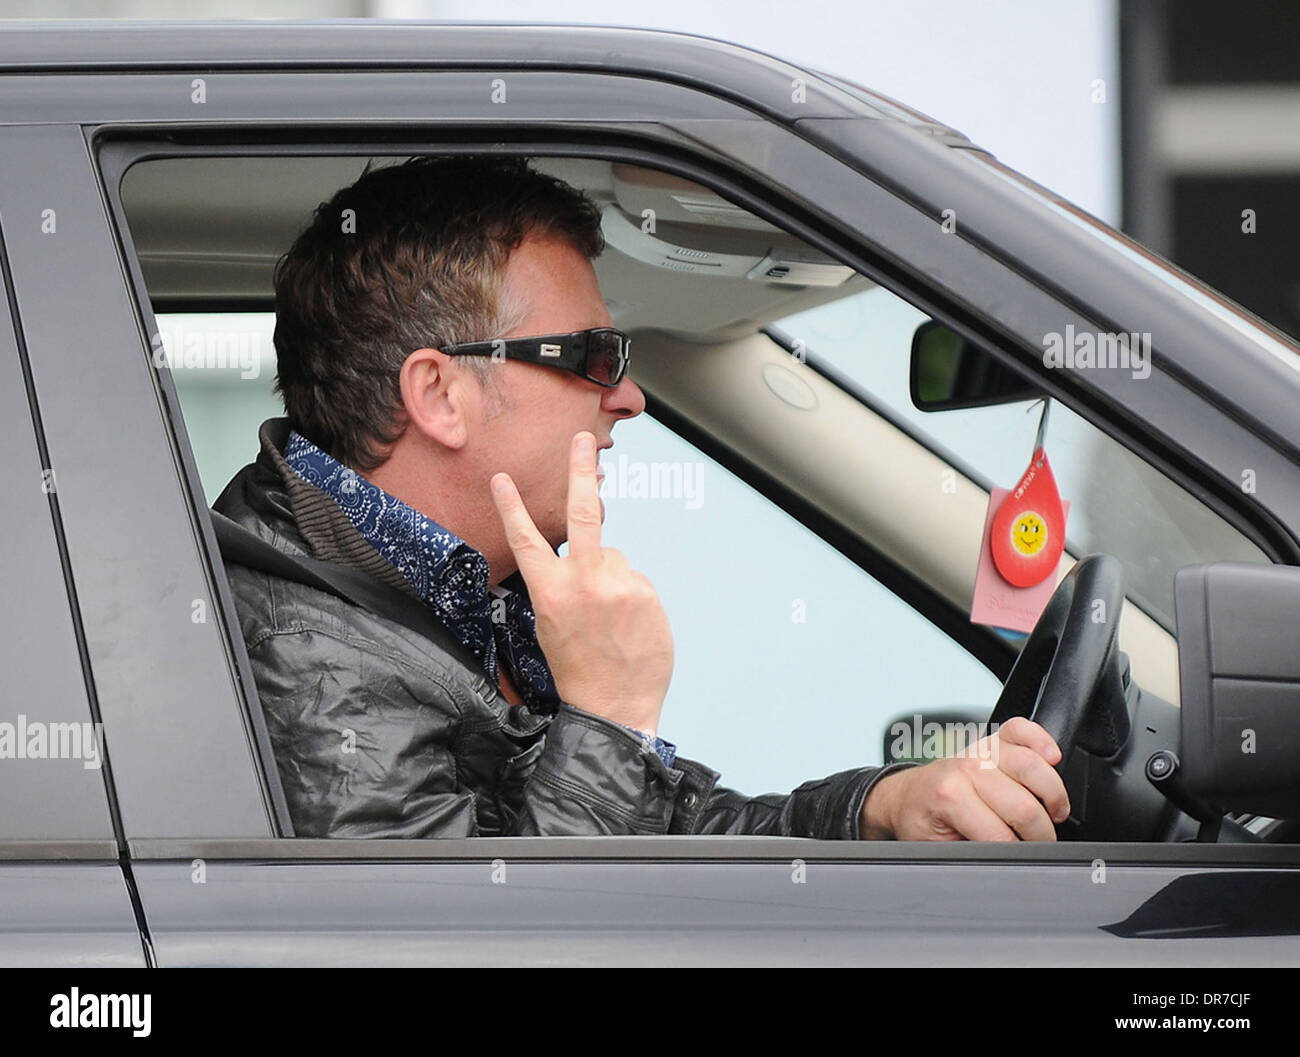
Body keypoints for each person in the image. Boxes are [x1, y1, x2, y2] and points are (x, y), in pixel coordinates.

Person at [214, 155, 1070, 840]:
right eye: (592, 358)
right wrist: (611, 714)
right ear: (440, 394)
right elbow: (497, 952)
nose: (627, 396)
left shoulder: (471, 597)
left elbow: (664, 837)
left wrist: (880, 810)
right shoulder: (311, 666)